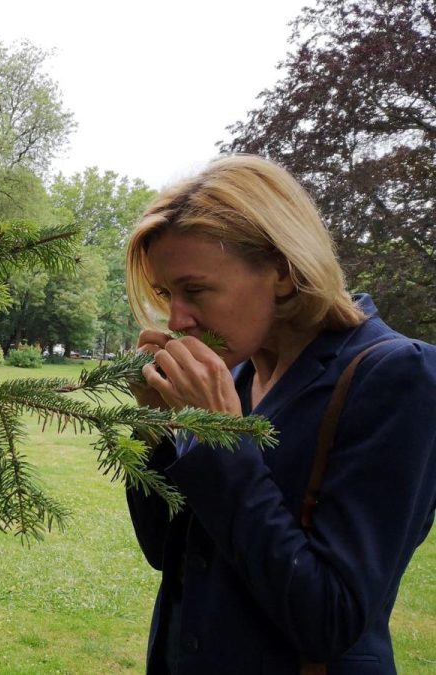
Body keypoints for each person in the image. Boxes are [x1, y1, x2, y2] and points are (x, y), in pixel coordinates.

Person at [123, 154, 436, 674]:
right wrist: (156, 429)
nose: (177, 319)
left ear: (285, 274)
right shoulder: (239, 376)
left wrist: (222, 442)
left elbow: (332, 620)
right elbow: (168, 552)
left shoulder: (398, 377)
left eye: (195, 290)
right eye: (166, 294)